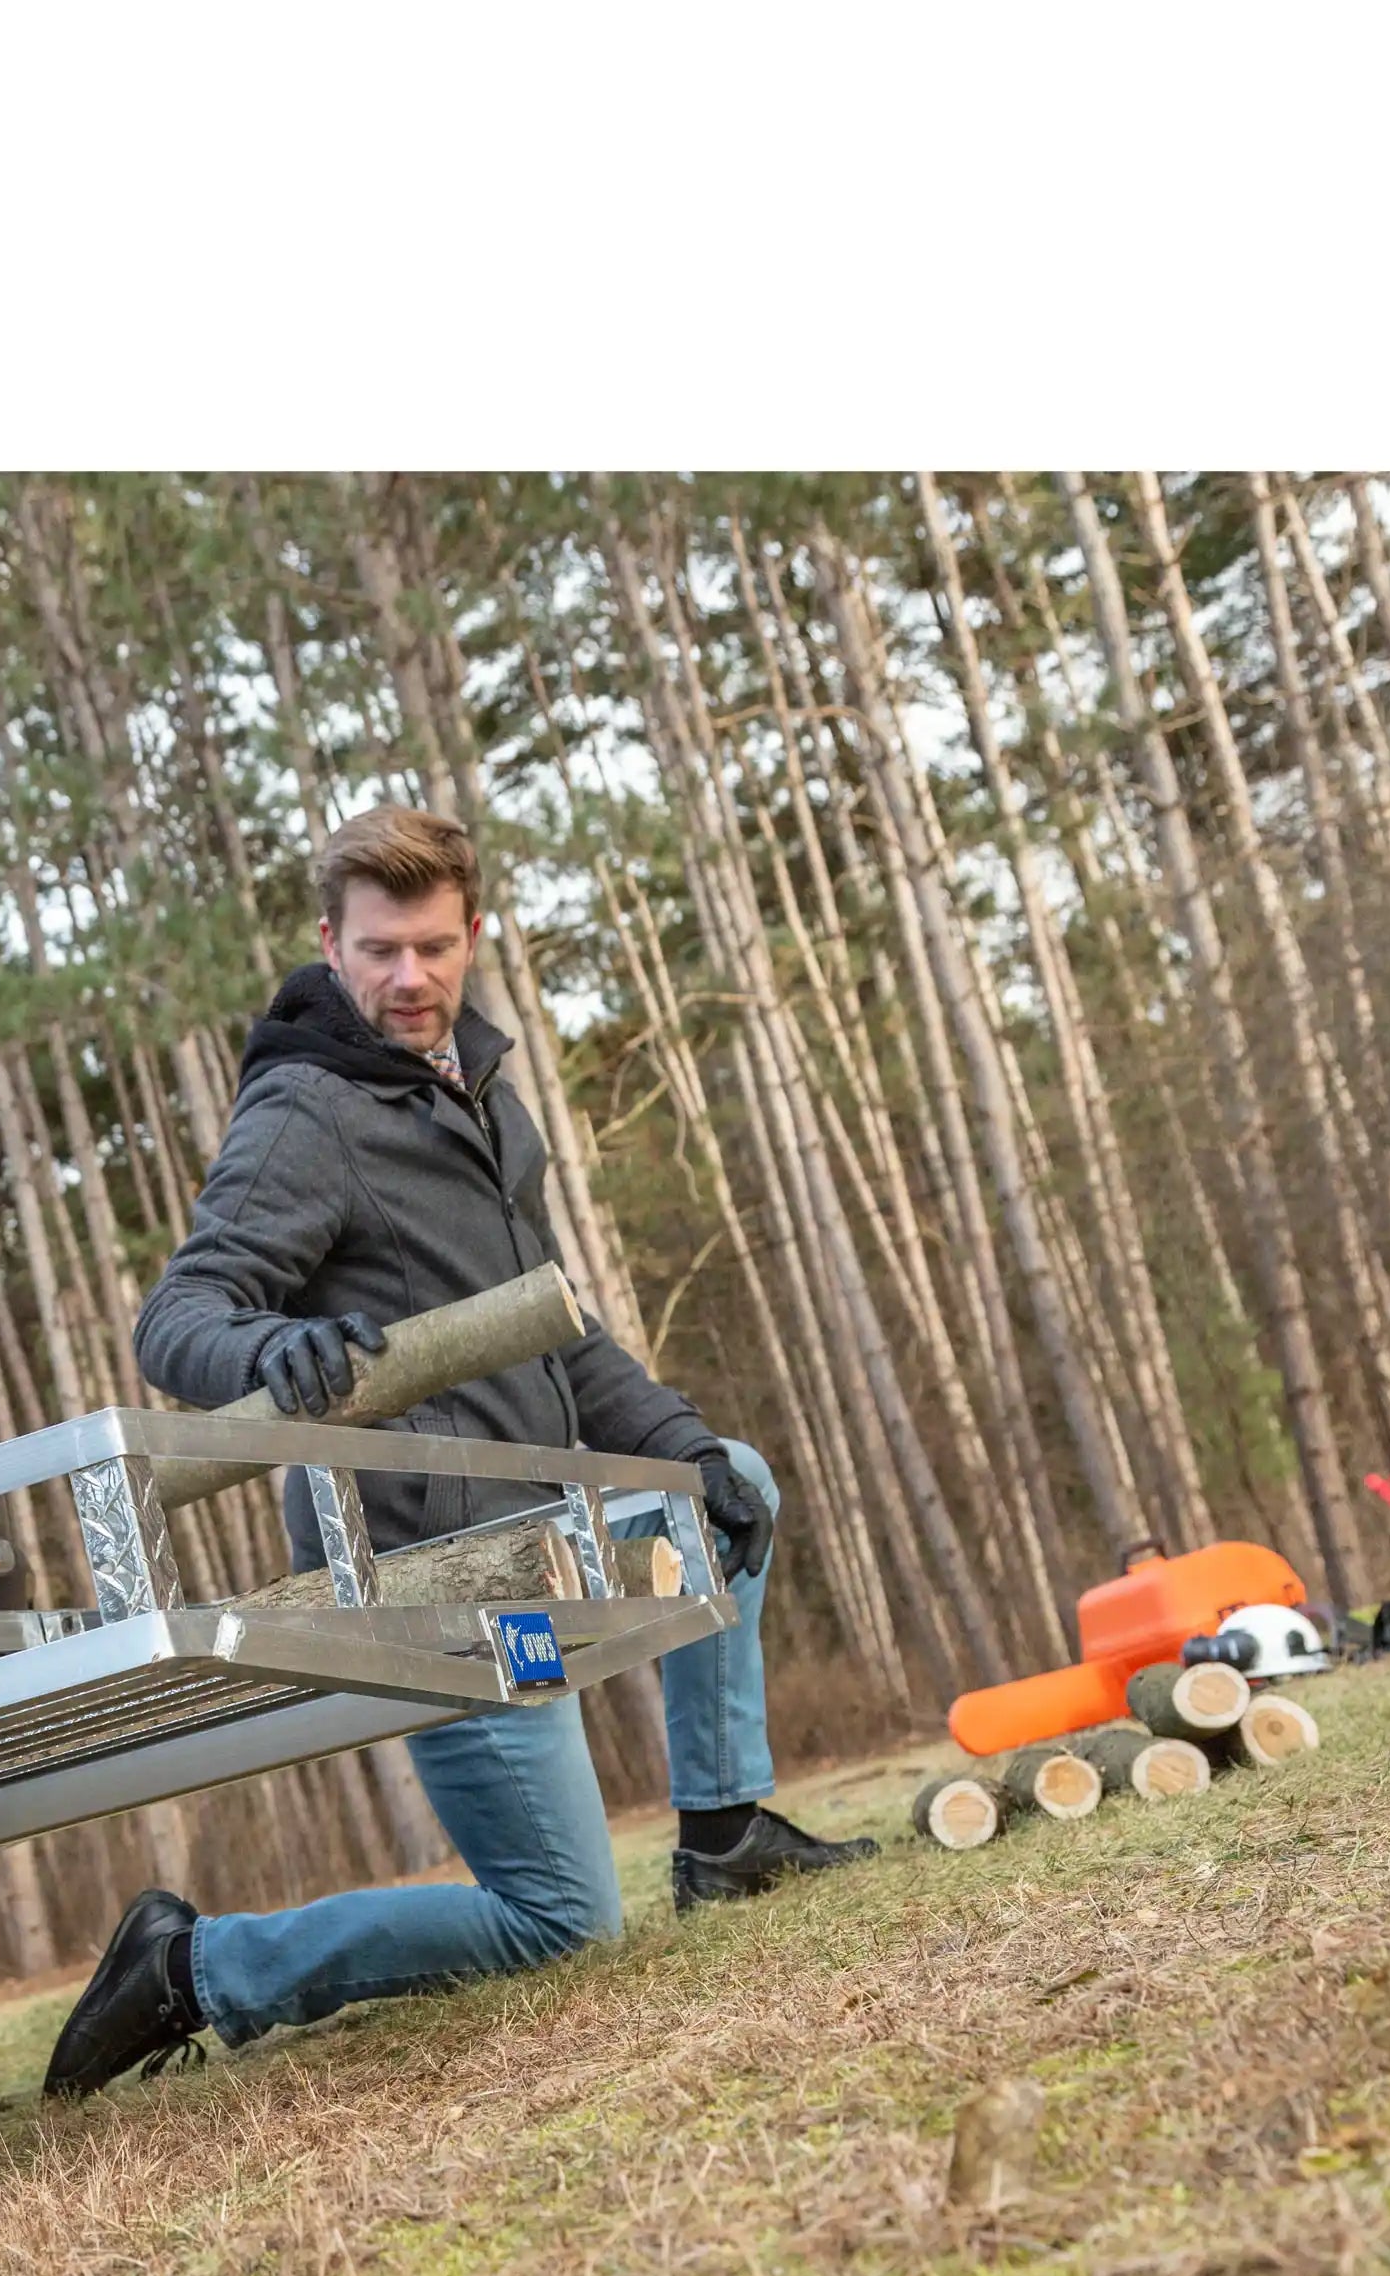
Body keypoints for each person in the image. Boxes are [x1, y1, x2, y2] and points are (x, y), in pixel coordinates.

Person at [44, 804, 873, 2099]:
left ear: (473, 935)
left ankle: (723, 1835)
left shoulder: (482, 1099)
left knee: (735, 1481)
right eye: (379, 949)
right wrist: (276, 1348)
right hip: (425, 1566)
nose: (408, 976)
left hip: (539, 1527)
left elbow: (552, 1337)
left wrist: (682, 1447)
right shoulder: (309, 1110)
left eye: (432, 946)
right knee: (560, 1926)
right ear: (330, 945)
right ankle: (194, 1967)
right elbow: (179, 1317)